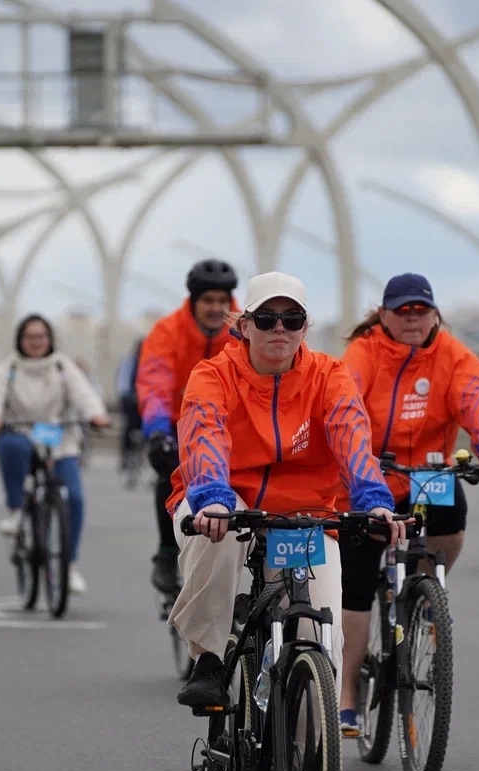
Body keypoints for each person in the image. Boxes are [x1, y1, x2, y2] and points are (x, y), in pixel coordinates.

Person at [166, 271, 409, 708]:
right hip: (223, 499)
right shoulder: (213, 375)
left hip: (305, 513)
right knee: (219, 537)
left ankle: (307, 757)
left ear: (305, 328)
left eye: (292, 319)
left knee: (322, 641)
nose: (280, 328)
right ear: (243, 325)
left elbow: (352, 438)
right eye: (267, 319)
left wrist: (373, 501)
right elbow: (204, 436)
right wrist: (213, 499)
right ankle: (208, 660)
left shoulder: (330, 376)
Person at [336, 273, 479, 735]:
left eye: (421, 311)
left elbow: (477, 399)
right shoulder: (365, 352)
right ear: (384, 315)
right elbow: (346, 403)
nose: (412, 320)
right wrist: (355, 461)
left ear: (435, 314)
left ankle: (425, 591)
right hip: (370, 472)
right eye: (403, 312)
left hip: (427, 473)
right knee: (356, 583)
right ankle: (349, 692)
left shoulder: (453, 356)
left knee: (452, 517)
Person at [0, 314, 111, 596]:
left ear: (49, 339)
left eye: (41, 336)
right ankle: (15, 509)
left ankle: (69, 564)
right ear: (20, 340)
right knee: (11, 447)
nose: (36, 342)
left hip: (58, 438)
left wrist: (96, 415)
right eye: (29, 337)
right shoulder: (10, 366)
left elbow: (83, 393)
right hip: (20, 432)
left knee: (74, 497)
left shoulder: (62, 365)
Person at [135, 259, 240, 596]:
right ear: (193, 301)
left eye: (222, 301)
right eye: (207, 301)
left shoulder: (244, 330)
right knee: (169, 470)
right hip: (180, 427)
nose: (215, 308)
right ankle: (167, 552)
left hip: (232, 427)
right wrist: (156, 430)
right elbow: (155, 382)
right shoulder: (167, 331)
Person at [115, 338, 145, 476]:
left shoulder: (150, 361)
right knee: (128, 426)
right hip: (130, 399)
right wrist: (129, 396)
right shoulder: (129, 361)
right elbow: (123, 382)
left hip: (145, 400)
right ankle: (125, 455)